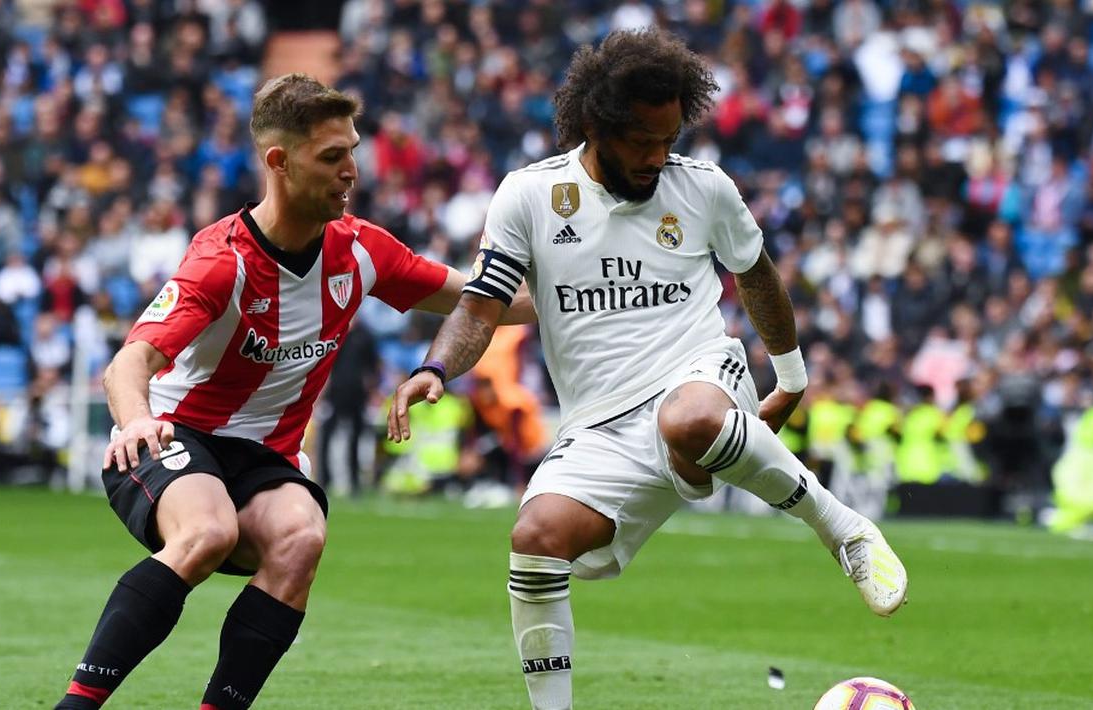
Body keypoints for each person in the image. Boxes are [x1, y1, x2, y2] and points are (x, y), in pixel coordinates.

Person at [388, 30, 907, 710]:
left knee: (689, 419)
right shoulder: (529, 196)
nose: (658, 156)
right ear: (595, 126)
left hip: (696, 370)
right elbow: (481, 305)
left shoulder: (704, 188)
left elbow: (756, 277)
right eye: (641, 141)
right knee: (535, 539)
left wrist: (791, 378)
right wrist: (436, 367)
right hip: (596, 424)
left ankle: (844, 531)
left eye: (669, 139)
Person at [54, 74, 533, 710]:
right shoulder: (221, 260)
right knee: (207, 532)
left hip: (266, 457)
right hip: (175, 436)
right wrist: (138, 421)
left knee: (301, 536)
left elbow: (489, 301)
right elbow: (129, 363)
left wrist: (587, 288)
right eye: (332, 157)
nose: (351, 171)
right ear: (279, 162)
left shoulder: (361, 250)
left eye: (352, 151)